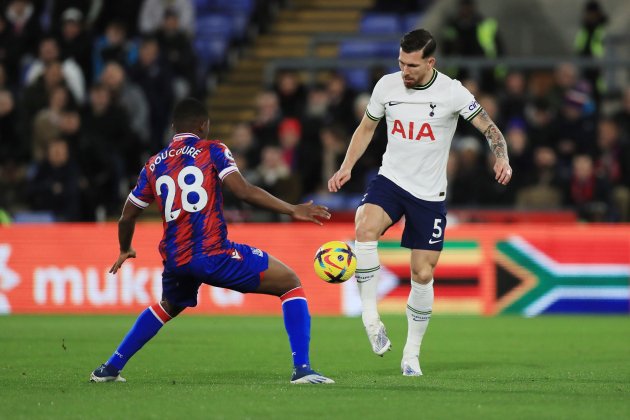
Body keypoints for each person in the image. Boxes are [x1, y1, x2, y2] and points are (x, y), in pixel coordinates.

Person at [90, 98, 334, 385]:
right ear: (204, 125)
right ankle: (303, 369)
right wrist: (293, 208)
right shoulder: (213, 150)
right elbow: (242, 191)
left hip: (176, 259)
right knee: (290, 282)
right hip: (212, 253)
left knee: (168, 305)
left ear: (173, 127)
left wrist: (124, 247)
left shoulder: (153, 164)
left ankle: (109, 368)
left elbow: (127, 215)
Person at [327, 29, 512, 376]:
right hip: (391, 181)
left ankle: (411, 354)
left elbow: (490, 129)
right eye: (400, 63)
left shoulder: (452, 92)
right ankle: (371, 318)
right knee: (364, 225)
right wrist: (346, 166)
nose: (405, 71)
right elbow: (366, 128)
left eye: (412, 65)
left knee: (421, 273)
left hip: (429, 194)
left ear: (431, 62)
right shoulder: (387, 86)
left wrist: (501, 158)